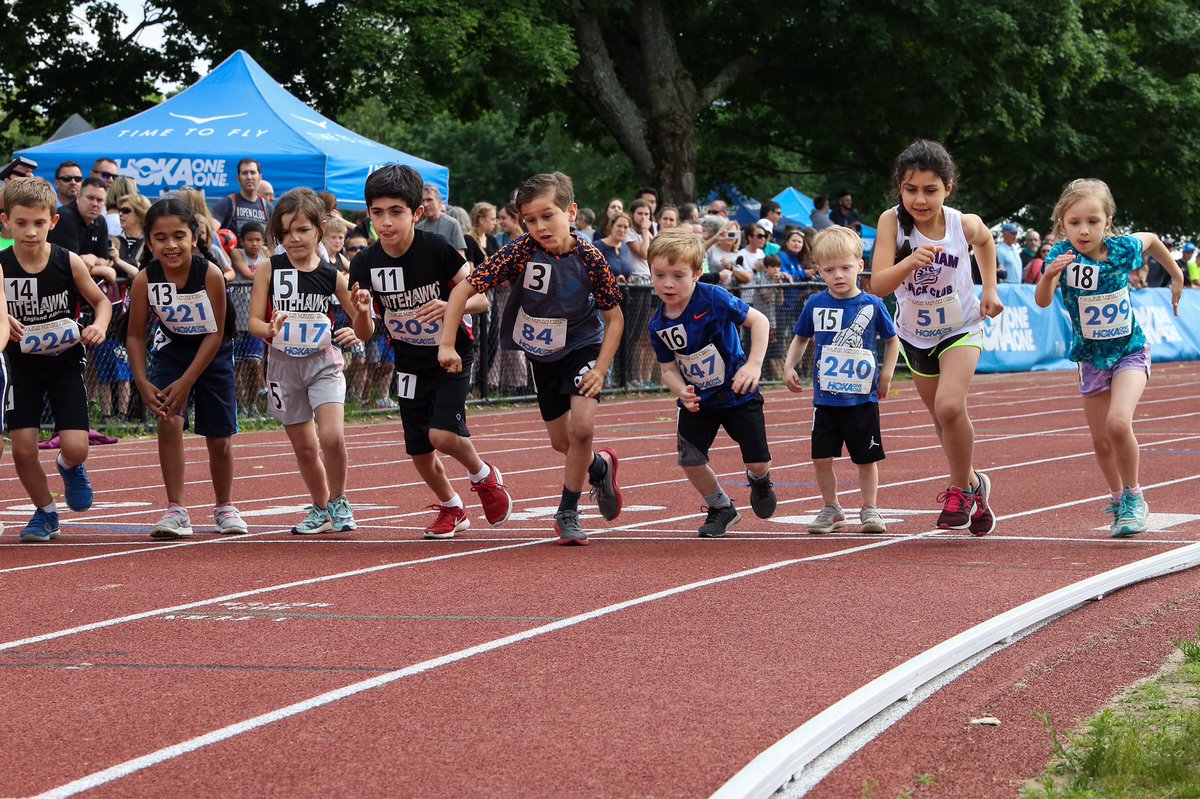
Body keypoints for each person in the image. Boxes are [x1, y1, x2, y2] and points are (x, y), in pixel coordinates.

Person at [439, 171, 624, 546]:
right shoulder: (520, 251)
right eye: (530, 220)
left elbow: (615, 317)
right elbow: (463, 291)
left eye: (547, 216)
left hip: (584, 346)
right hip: (543, 354)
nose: (539, 226)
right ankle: (599, 466)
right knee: (563, 442)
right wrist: (446, 343)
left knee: (582, 430)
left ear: (570, 212)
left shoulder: (590, 258)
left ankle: (567, 511)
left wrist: (602, 368)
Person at [349, 165, 512, 538]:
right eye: (377, 213)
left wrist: (449, 305)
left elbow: (482, 301)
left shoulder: (437, 249)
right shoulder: (365, 263)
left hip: (452, 352)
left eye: (396, 212)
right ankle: (453, 507)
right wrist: (360, 312)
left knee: (443, 435)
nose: (386, 222)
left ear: (416, 213)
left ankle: (484, 476)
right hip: (408, 359)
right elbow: (366, 331)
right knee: (420, 449)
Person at [1035, 178, 1183, 537]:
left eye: (1093, 221)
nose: (1084, 230)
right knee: (1101, 440)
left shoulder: (1120, 250)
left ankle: (1134, 495)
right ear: (1061, 225)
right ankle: (1117, 499)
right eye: (1074, 223)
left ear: (1108, 222)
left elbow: (1150, 239)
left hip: (1130, 350)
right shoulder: (1059, 257)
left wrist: (1177, 274)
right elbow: (1042, 301)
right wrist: (1049, 276)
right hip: (1090, 359)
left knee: (1119, 423)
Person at [869, 139, 1003, 535]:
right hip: (915, 334)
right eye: (911, 190)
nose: (920, 199)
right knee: (942, 422)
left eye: (930, 190)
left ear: (948, 188)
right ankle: (977, 486)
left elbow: (986, 242)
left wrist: (990, 288)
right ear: (900, 188)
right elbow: (877, 284)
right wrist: (908, 261)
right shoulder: (890, 222)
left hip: (962, 327)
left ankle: (961, 489)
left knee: (949, 406)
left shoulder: (963, 223)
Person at [125, 198, 246, 538]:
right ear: (149, 242)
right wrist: (141, 381)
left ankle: (224, 506)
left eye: (178, 236)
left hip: (213, 352)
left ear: (194, 237)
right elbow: (134, 335)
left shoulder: (209, 274)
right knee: (167, 420)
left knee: (219, 438)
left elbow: (216, 332)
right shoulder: (145, 280)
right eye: (160, 238)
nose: (170, 245)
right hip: (172, 350)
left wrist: (188, 381)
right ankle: (176, 509)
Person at [645, 227, 776, 537]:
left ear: (697, 274)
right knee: (690, 460)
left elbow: (759, 321)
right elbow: (667, 369)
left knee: (758, 462)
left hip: (738, 392)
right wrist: (682, 392)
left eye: (678, 275)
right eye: (659, 275)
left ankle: (759, 481)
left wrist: (754, 366)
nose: (667, 283)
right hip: (699, 400)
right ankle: (721, 507)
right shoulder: (658, 324)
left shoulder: (713, 297)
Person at [1, 177, 111, 541]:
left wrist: (98, 326)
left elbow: (102, 302)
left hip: (64, 363)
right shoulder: (2, 266)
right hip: (21, 367)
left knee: (76, 447)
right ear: (6, 222)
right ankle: (45, 512)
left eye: (38, 223)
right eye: (21, 223)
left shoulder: (68, 261)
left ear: (53, 222)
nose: (30, 232)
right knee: (22, 448)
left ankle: (68, 466)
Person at [249, 188, 357, 534]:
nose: (293, 239)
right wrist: (268, 327)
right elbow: (252, 323)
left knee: (332, 438)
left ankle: (339, 500)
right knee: (306, 448)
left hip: (323, 363)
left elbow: (364, 324)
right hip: (282, 365)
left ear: (319, 229)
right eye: (285, 232)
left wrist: (359, 327)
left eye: (302, 230)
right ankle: (321, 506)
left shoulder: (331, 275)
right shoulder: (269, 268)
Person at [784, 227, 900, 534]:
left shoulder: (872, 305)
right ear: (819, 271)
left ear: (860, 267)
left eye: (845, 268)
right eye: (830, 269)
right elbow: (800, 338)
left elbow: (892, 340)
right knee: (821, 457)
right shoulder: (815, 304)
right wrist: (789, 365)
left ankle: (870, 508)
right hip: (825, 400)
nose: (838, 275)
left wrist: (887, 372)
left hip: (861, 399)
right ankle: (831, 507)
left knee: (866, 458)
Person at [212, 158, 274, 236]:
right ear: (238, 179)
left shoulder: (268, 208)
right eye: (244, 173)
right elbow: (210, 232)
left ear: (260, 177)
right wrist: (222, 248)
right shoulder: (227, 203)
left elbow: (275, 239)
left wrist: (266, 248)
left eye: (252, 172)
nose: (249, 177)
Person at [416, 183, 467, 257]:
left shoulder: (452, 224)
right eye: (423, 201)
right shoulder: (418, 228)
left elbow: (460, 256)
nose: (425, 204)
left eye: (429, 200)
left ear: (439, 202)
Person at [592, 211, 635, 282]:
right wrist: (613, 279)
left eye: (625, 227)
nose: (622, 230)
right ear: (611, 226)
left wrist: (630, 279)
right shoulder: (596, 247)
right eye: (619, 226)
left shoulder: (625, 247)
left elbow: (628, 271)